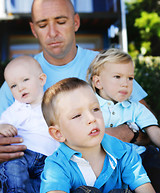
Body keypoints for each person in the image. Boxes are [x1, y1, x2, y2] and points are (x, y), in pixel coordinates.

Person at [0, 0, 149, 162]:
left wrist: (124, 133)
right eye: (42, 25)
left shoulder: (107, 66)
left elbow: (150, 129)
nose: (52, 33)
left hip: (123, 169)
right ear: (33, 30)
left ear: (75, 22)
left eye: (61, 22)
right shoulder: (17, 81)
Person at [39, 77, 160, 193]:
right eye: (77, 116)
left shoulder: (124, 152)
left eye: (95, 109)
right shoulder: (56, 164)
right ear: (58, 133)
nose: (91, 118)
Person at [87, 48, 160, 193]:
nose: (125, 83)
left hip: (140, 157)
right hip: (107, 164)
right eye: (117, 77)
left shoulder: (135, 108)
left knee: (154, 162)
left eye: (130, 78)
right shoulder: (89, 107)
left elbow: (154, 132)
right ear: (98, 82)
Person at [0, 56, 59, 193]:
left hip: (49, 159)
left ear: (41, 80)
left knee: (52, 182)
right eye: (14, 86)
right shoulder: (15, 110)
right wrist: (2, 127)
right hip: (23, 155)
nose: (21, 87)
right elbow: (1, 125)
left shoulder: (53, 104)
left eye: (25, 80)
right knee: (11, 167)